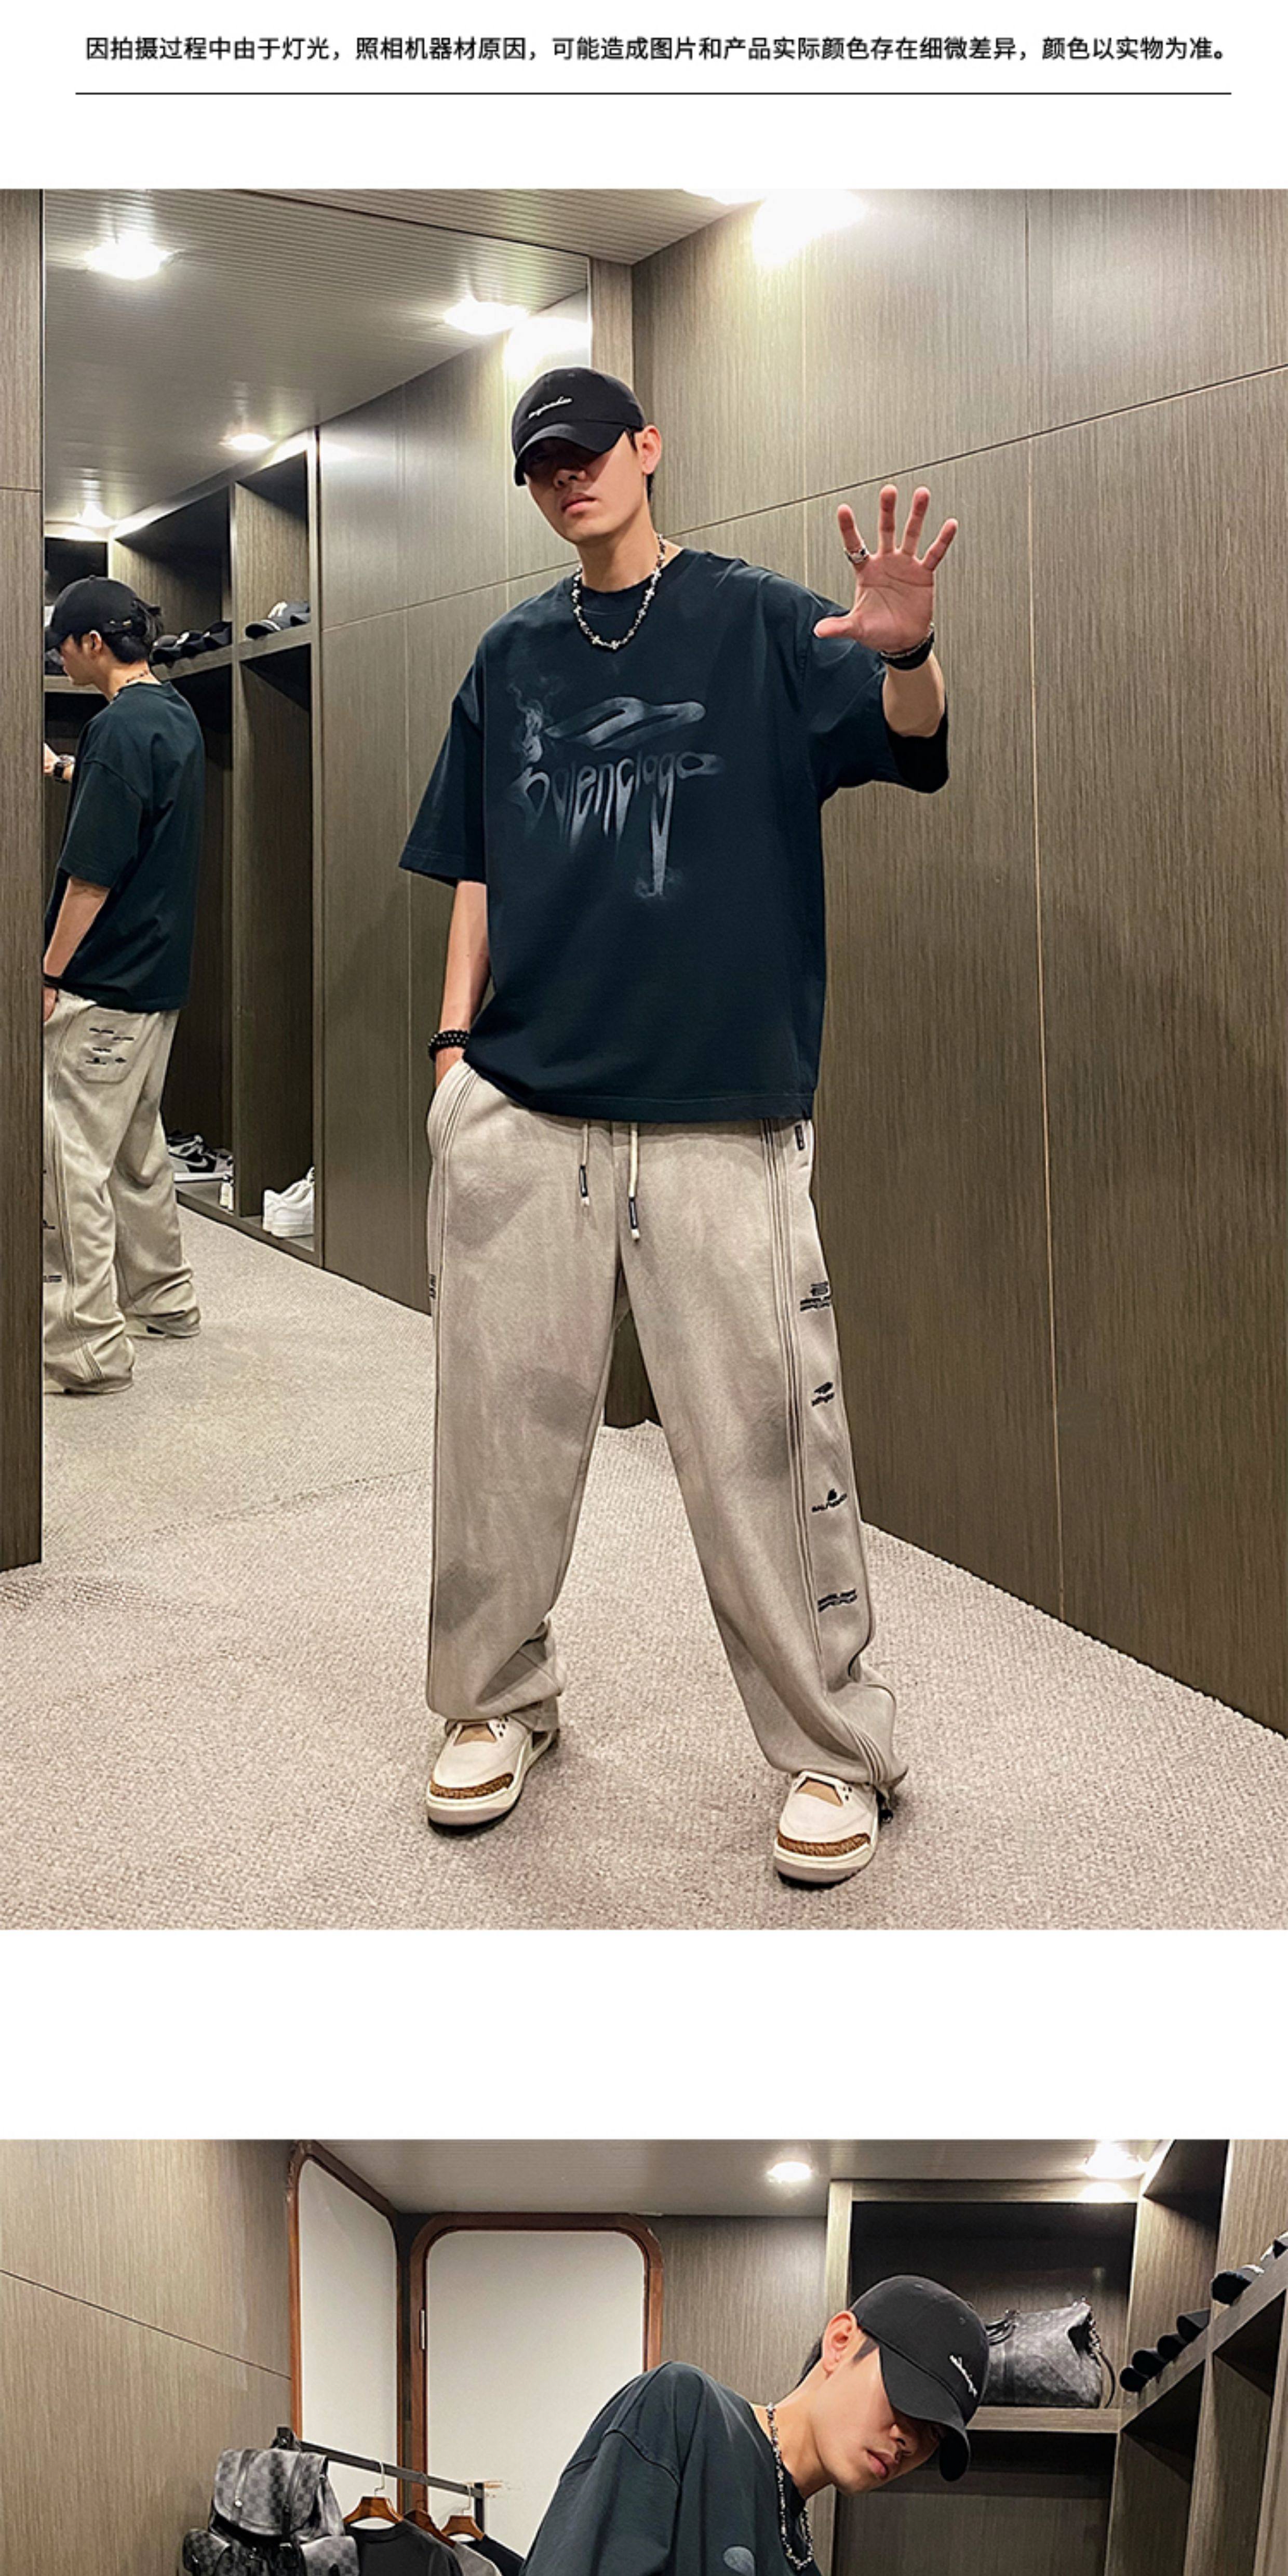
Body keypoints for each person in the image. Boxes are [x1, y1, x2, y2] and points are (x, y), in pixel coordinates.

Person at [399, 366, 955, 1885]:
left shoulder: (758, 620)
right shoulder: (509, 654)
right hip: (523, 1103)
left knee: (762, 1443)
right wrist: (452, 1055)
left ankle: (832, 1745)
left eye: (590, 449)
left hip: (718, 1104)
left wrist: (911, 653)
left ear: (647, 449)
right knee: (495, 1435)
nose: (568, 477)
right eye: (542, 466)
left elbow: (907, 737)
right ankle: (495, 1700)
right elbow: (475, 861)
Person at [521, 2276, 990, 2576]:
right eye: (907, 2398)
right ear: (841, 2341)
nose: (909, 2439)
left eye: (935, 2433)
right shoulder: (685, 2411)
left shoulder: (800, 2557)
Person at [42, 575, 205, 1394]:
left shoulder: (115, 727)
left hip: (103, 983)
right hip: (156, 980)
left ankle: (88, 1348)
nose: (59, 661)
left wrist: (46, 972)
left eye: (62, 648)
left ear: (92, 645)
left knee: (71, 1158)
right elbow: (140, 796)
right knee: (137, 1150)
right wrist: (66, 769)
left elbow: (90, 878)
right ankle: (164, 1298)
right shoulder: (172, 714)